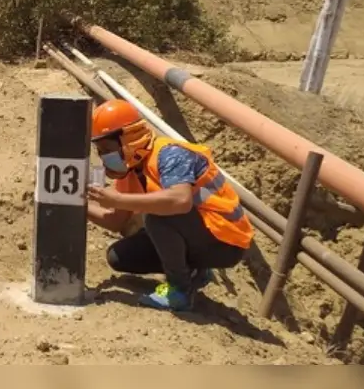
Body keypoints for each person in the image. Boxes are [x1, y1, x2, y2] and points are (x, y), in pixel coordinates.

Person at [84, 99, 254, 312]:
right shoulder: (131, 171)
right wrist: (78, 206)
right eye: (100, 151)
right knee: (119, 257)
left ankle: (180, 291)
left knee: (157, 217)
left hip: (225, 240)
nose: (103, 157)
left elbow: (180, 201)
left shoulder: (170, 155)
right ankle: (195, 272)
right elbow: (117, 220)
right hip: (198, 234)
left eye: (107, 149)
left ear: (128, 139)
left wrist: (117, 199)